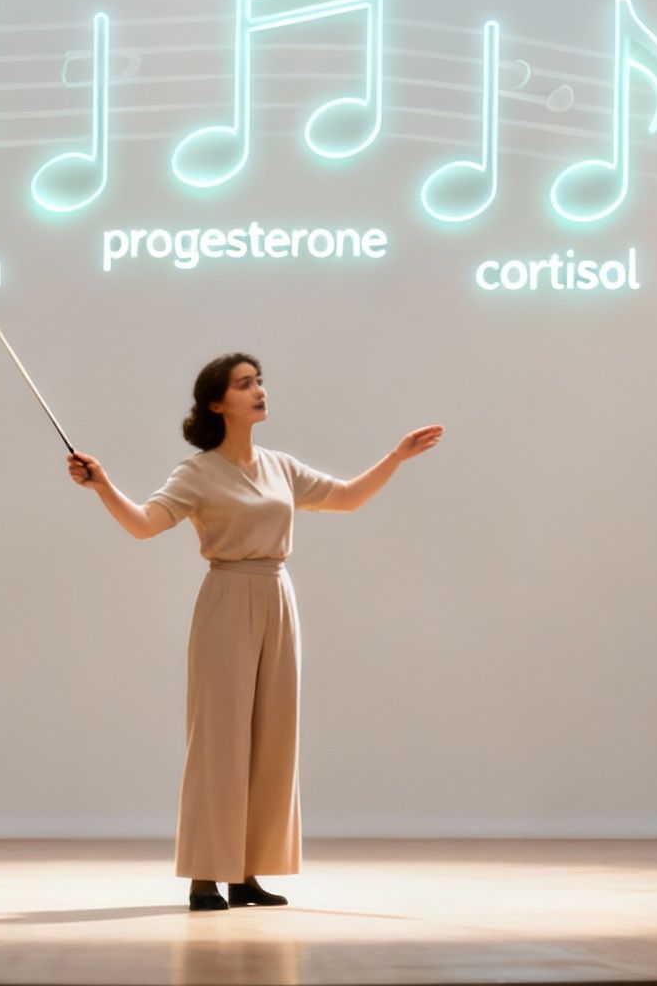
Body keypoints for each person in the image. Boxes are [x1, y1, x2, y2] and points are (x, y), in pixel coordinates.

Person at [66, 352, 442, 911]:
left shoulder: (279, 466)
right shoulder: (196, 472)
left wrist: (397, 456)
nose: (259, 391)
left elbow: (346, 497)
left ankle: (245, 872)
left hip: (277, 595)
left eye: (259, 382)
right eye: (245, 384)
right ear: (218, 403)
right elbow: (144, 524)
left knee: (272, 737)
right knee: (219, 740)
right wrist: (103, 488)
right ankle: (204, 876)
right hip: (226, 598)